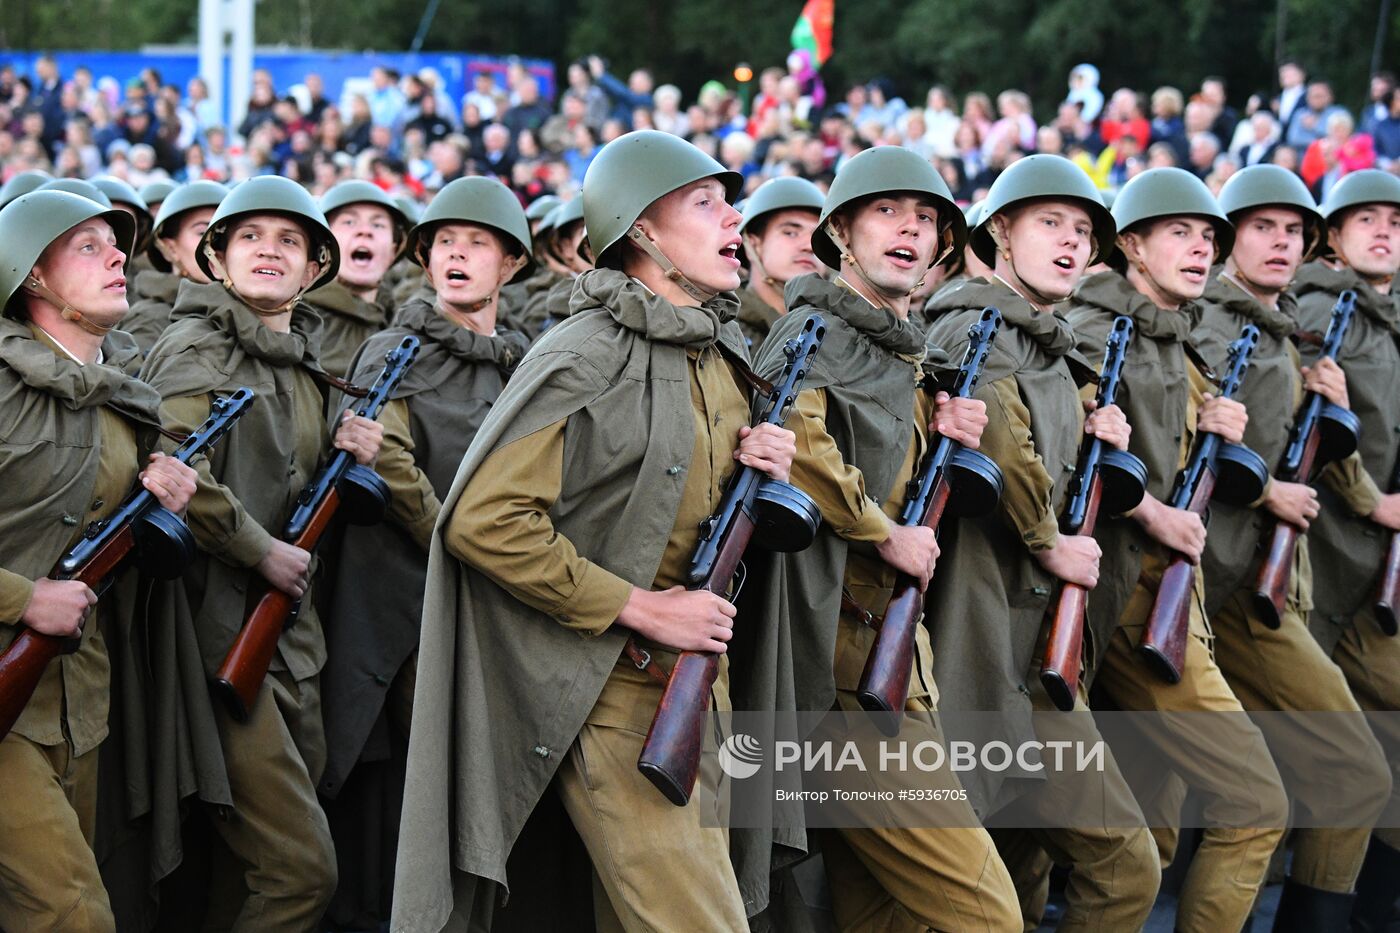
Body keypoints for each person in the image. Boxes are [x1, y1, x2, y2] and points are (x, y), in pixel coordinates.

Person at [392, 129, 798, 931]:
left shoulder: (719, 356)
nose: (733, 219)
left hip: (694, 689)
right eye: (706, 203)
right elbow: (484, 518)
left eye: (730, 201)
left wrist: (760, 460)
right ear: (643, 231)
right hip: (608, 691)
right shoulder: (584, 351)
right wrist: (641, 607)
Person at [752, 144, 1019, 932]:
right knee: (987, 911)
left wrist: (951, 420)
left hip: (895, 654)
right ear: (841, 233)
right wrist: (884, 530)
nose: (911, 228)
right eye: (888, 211)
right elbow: (795, 437)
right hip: (838, 660)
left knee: (882, 913)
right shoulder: (809, 329)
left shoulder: (905, 346)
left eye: (927, 217)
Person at [922, 154, 1161, 931]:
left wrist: (1098, 423)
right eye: (1049, 223)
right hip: (980, 635)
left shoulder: (1046, 342)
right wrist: (1047, 536)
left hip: (1036, 648)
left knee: (1040, 866)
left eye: (1083, 231)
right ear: (999, 231)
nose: (1070, 243)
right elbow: (1000, 441)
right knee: (1093, 863)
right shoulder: (974, 323)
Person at [139, 176, 384, 931]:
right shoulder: (192, 348)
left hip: (290, 643)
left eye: (289, 240)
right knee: (301, 871)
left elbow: (293, 483)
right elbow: (172, 472)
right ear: (215, 257)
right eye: (249, 237)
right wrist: (260, 551)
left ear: (314, 268)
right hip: (216, 636)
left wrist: (350, 453)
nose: (268, 251)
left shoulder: (301, 365)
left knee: (244, 870)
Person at [1064, 167, 1290, 933]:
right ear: (1131, 244)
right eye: (1179, 235)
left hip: (1169, 602)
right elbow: (1070, 451)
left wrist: (1215, 420)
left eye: (1208, 240)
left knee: (1148, 836)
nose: (1200, 250)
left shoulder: (1171, 336)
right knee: (1256, 804)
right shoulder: (1101, 331)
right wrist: (1155, 511)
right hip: (1132, 601)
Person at [319, 176, 532, 930]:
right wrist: (468, 540)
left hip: (491, 604)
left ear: (511, 263)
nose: (457, 255)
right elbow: (392, 463)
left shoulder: (522, 362)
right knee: (396, 796)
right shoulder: (393, 349)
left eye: (477, 243)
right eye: (445, 241)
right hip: (401, 609)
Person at [1187, 164, 1393, 930]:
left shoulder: (1278, 330)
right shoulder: (1208, 324)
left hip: (1258, 580)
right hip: (1219, 582)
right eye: (1261, 227)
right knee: (1340, 767)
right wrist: (1269, 488)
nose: (1280, 242)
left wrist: (1328, 410)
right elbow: (1182, 439)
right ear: (1226, 239)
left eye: (1291, 231)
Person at [0, 189, 197, 930]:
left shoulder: (123, 405)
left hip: (76, 702)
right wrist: (23, 598)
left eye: (116, 245)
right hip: (9, 704)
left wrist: (162, 500)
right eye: (87, 244)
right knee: (73, 914)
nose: (119, 255)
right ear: (33, 277)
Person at [1289, 169, 1400, 933]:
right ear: (1331, 236)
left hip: (1376, 564)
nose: (1384, 231)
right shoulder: (1325, 312)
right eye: (1365, 219)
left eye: (1395, 219)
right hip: (1327, 554)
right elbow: (1306, 432)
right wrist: (1370, 498)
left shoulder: (1386, 315)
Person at [305, 180, 411, 379]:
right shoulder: (297, 322)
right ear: (323, 244)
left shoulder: (406, 325)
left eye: (378, 224)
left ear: (393, 250)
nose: (365, 231)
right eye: (349, 222)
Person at [124, 180, 228, 353]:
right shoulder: (150, 319)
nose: (215, 243)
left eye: (222, 232)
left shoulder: (237, 311)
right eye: (202, 232)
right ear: (170, 248)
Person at [735, 175, 824, 353]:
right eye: (791, 233)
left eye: (818, 237)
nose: (809, 246)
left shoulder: (835, 330)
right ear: (753, 244)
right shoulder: (723, 332)